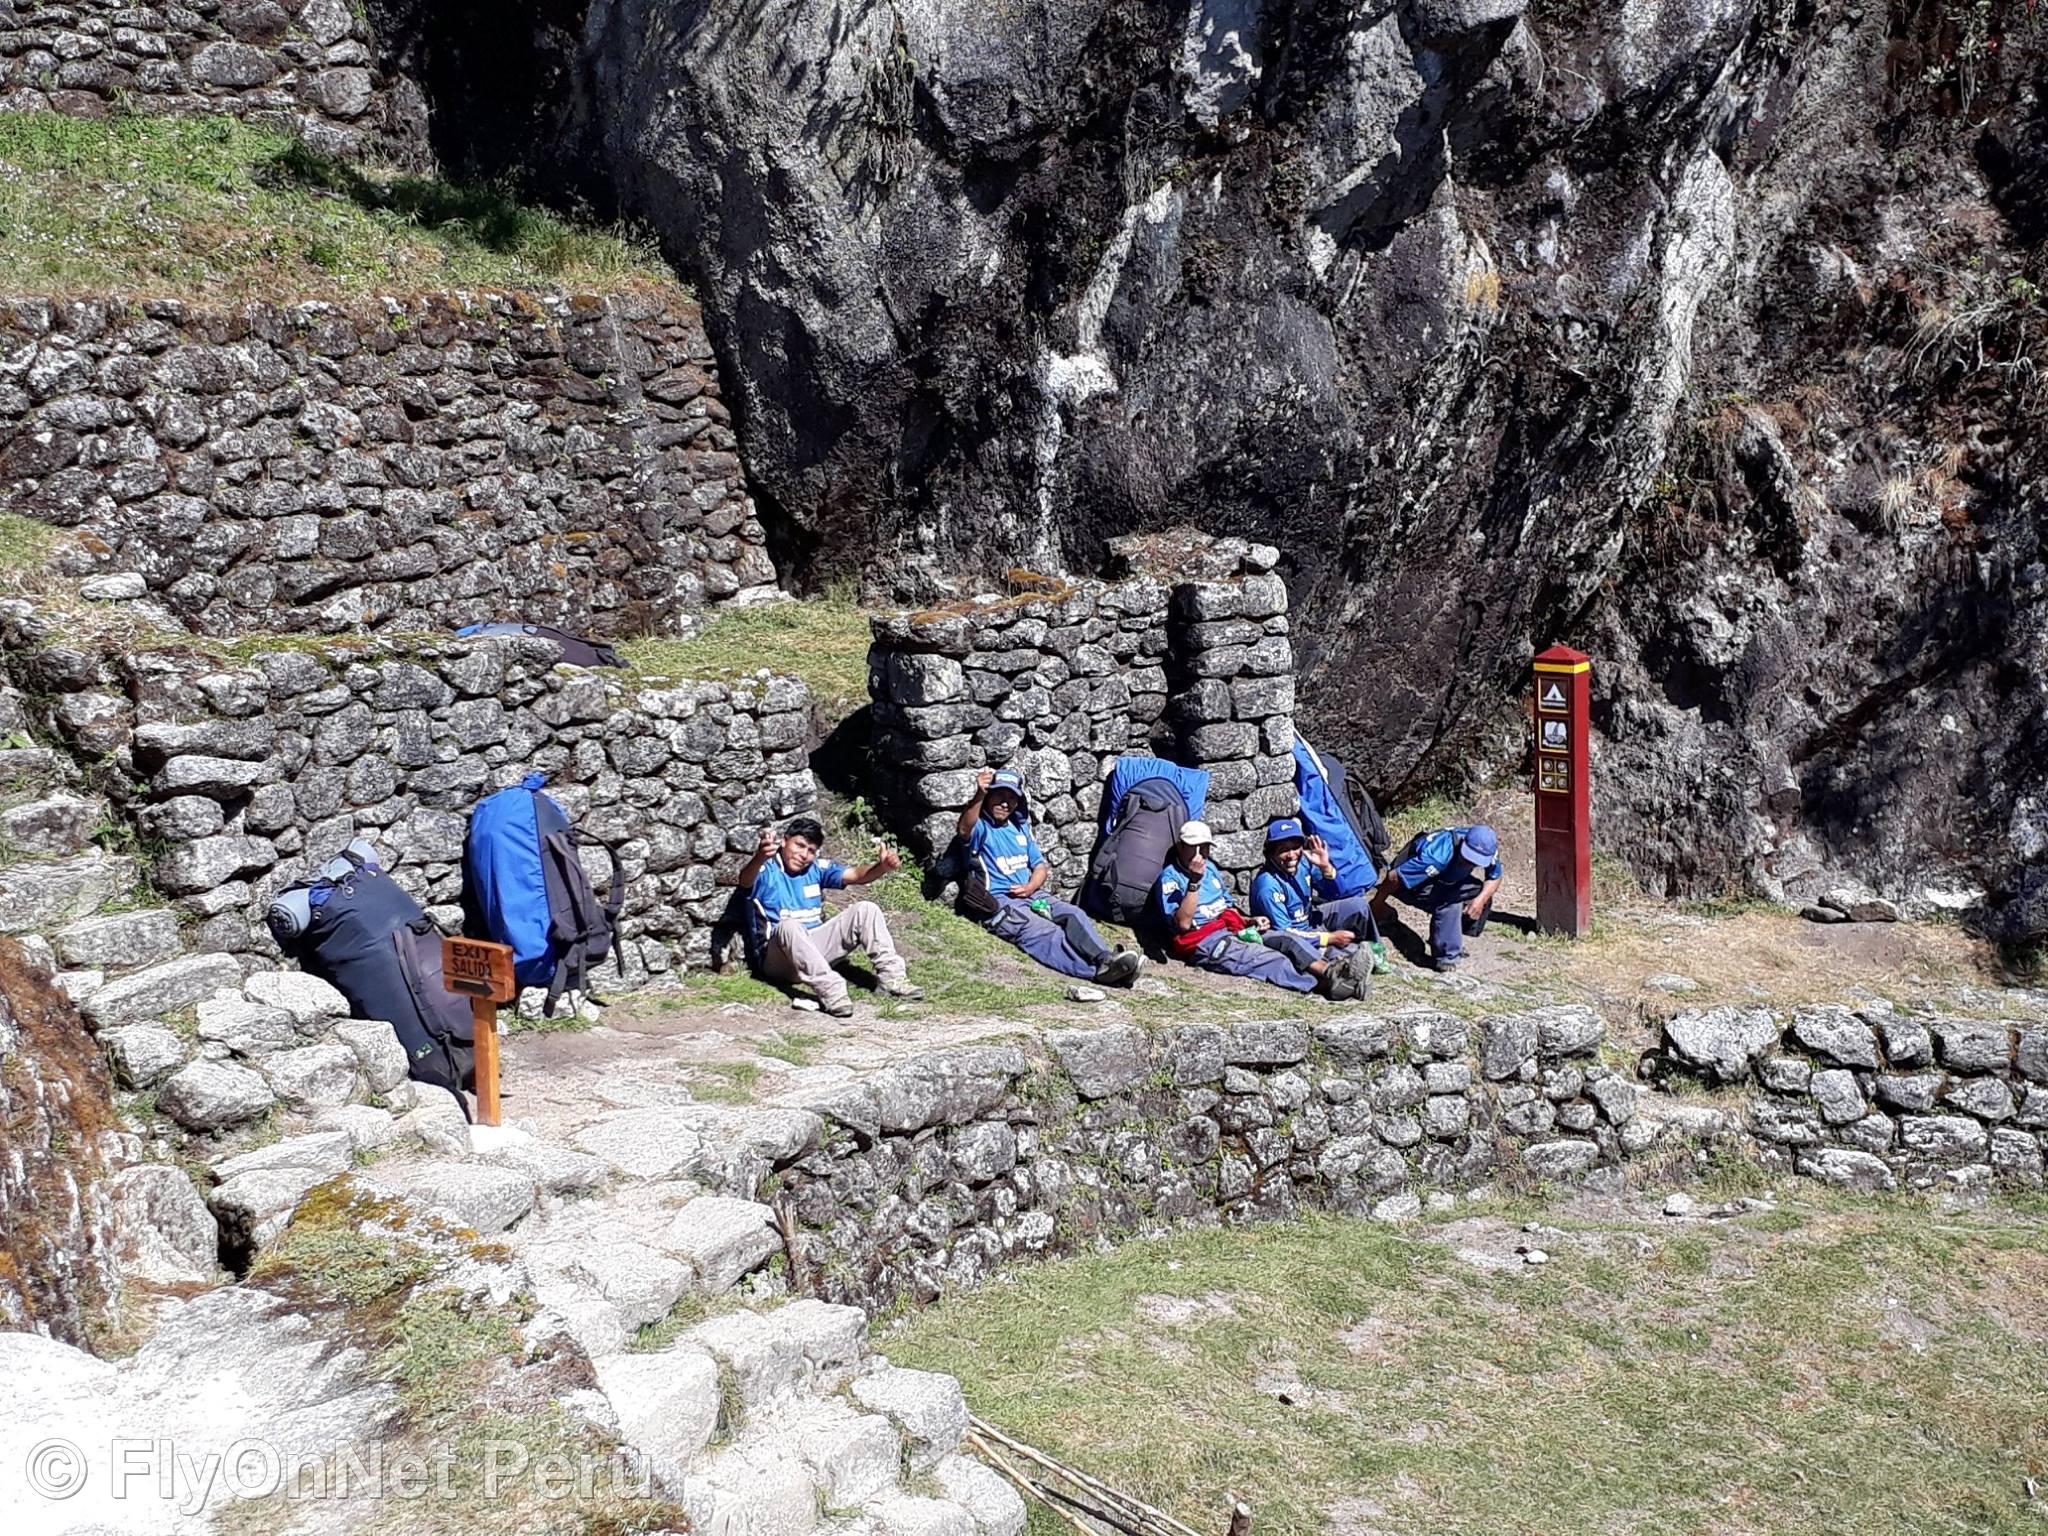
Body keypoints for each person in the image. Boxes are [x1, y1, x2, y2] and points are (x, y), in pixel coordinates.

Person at [957, 768, 1144, 987]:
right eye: (999, 795)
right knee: (1045, 932)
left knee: (1073, 914)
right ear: (989, 796)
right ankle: (1097, 973)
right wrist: (978, 795)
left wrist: (1030, 887)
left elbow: (1040, 866)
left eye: (1011, 798)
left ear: (1018, 802)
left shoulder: (1019, 829)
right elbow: (964, 830)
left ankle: (1105, 959)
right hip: (1001, 901)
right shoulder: (981, 827)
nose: (1005, 803)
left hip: (1031, 894)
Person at [1154, 821, 1366, 1000]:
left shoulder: (1210, 868)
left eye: (1205, 847)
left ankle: (1340, 974)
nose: (1200, 854)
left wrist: (1249, 920)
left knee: (1284, 942)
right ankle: (1327, 983)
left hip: (1232, 929)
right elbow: (1183, 925)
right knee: (1271, 959)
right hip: (1205, 941)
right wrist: (1194, 883)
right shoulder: (1171, 878)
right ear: (1180, 846)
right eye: (1194, 847)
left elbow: (1226, 908)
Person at [741, 817, 923, 1017]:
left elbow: (857, 875)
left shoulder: (816, 868)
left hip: (814, 951)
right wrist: (759, 857)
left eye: (811, 850)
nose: (804, 855)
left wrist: (882, 867)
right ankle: (833, 992)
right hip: (779, 960)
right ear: (784, 841)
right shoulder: (766, 869)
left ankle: (893, 979)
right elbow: (745, 881)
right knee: (789, 926)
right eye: (799, 845)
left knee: (866, 909)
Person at [1249, 817, 1392, 977]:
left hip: (1311, 918)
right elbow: (1285, 932)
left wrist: (1325, 867)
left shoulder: (1303, 863)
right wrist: (1328, 938)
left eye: (1295, 847)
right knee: (1342, 953)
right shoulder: (1267, 886)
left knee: (1359, 905)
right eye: (1283, 850)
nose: (1291, 855)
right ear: (1271, 853)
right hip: (1297, 937)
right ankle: (1349, 963)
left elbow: (1339, 894)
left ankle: (1376, 953)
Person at [1369, 823, 1503, 972]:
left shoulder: (1486, 847)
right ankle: (1446, 957)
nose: (1470, 863)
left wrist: (1481, 900)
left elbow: (1495, 876)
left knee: (1480, 893)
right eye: (1468, 858)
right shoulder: (1436, 856)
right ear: (1463, 843)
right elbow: (1394, 877)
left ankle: (1450, 934)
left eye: (1476, 861)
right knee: (1451, 901)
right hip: (1412, 885)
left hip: (1447, 878)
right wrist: (1377, 903)